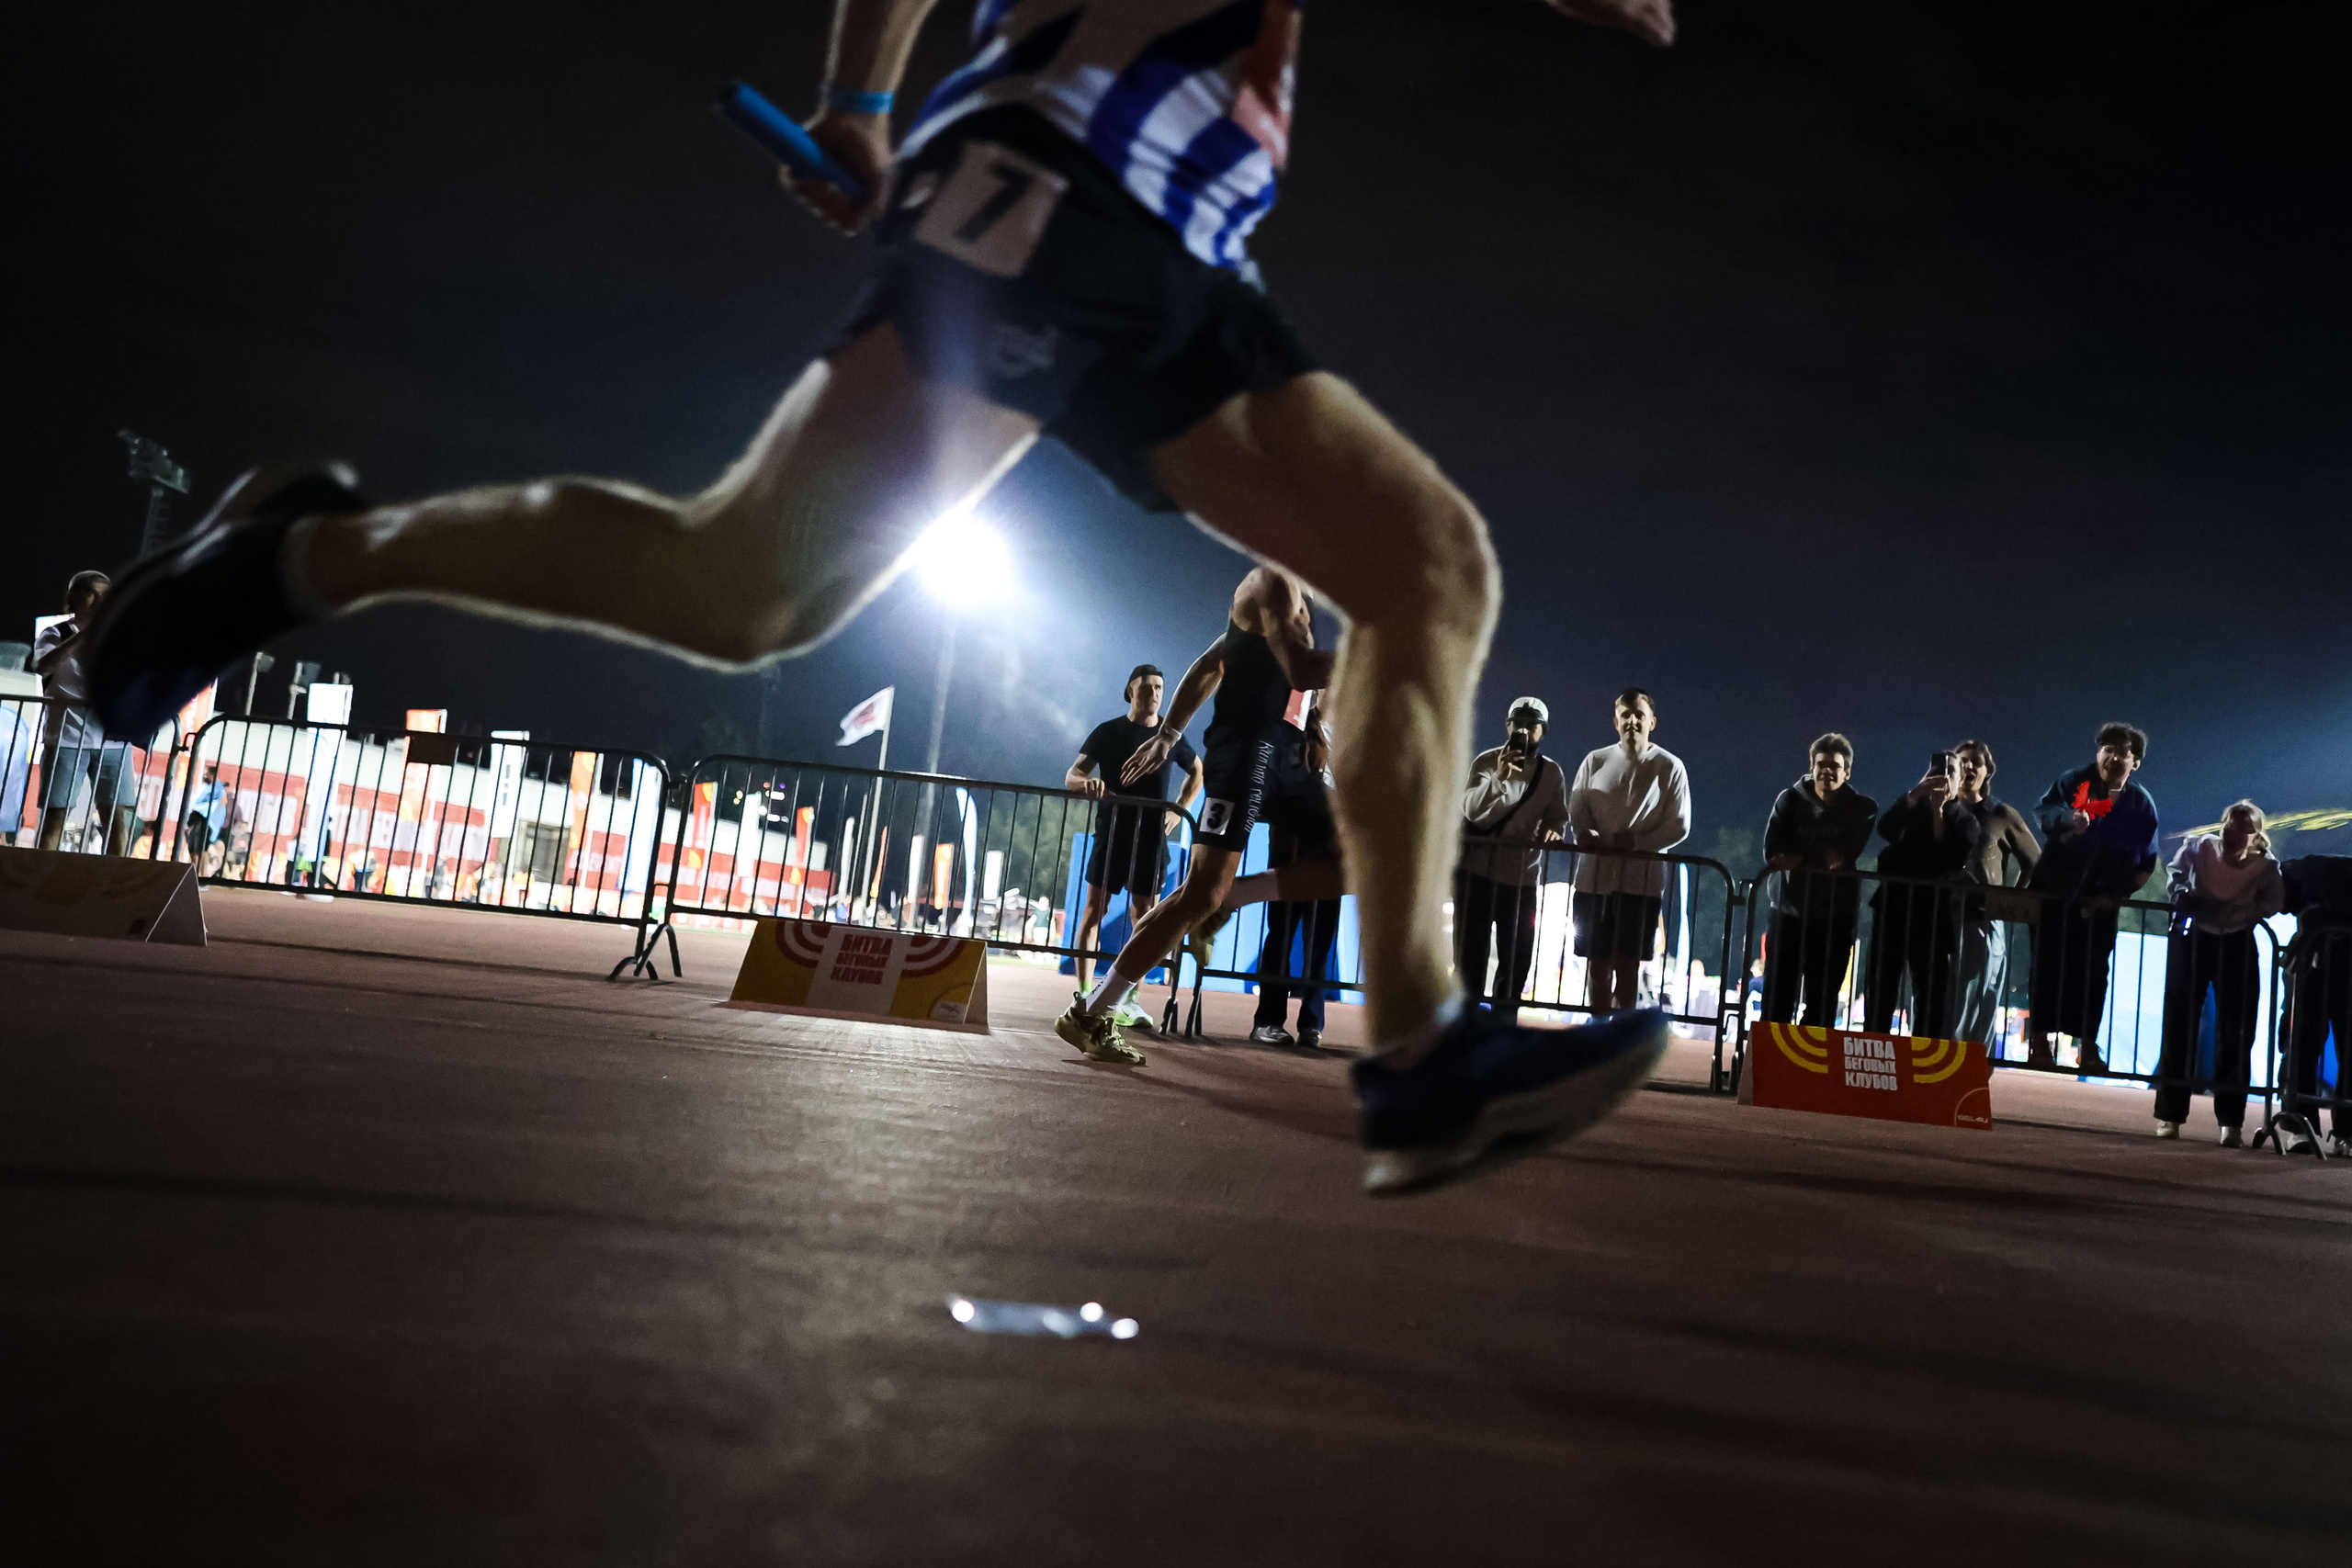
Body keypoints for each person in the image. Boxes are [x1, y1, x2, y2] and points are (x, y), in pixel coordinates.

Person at [76, 0, 1679, 1197]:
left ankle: (1418, 1050)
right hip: (1063, 184)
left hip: (1182, 239)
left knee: (1425, 563)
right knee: (748, 583)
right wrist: (862, 99)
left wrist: (866, 104)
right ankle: (294, 553)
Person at [1064, 566, 1339, 1065]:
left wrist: (1168, 734)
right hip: (1247, 751)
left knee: (1366, 856)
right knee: (1197, 894)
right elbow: (1301, 668)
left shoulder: (1300, 601)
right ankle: (1092, 1011)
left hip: (1286, 755)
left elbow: (1212, 663)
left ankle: (1230, 897)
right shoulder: (1271, 585)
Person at [2026, 723, 2159, 1073]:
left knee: (2093, 972)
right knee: (2045, 964)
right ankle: (2039, 1042)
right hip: (2053, 891)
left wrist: (2115, 895)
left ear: (2136, 763)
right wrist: (2069, 819)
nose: (2113, 757)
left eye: (2123, 752)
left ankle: (2087, 1046)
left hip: (2100, 900)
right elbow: (2043, 811)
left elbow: (2146, 861)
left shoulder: (2140, 804)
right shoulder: (2075, 780)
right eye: (2107, 749)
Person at [1064, 664, 1202, 996]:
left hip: (1152, 838)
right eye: (1146, 688)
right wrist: (1088, 782)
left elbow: (1197, 771)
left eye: (1158, 688)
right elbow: (1071, 775)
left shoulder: (1170, 738)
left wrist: (1179, 811)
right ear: (1130, 691)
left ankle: (1128, 997)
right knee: (1094, 910)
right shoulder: (1107, 731)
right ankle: (1083, 992)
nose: (1153, 694)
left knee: (1144, 916)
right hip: (1111, 832)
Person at [2152, 801, 2282, 1145]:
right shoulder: (2197, 847)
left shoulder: (2266, 866)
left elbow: (2275, 901)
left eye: (2243, 828)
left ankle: (2231, 1121)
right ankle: (2169, 1115)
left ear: (2256, 836)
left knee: (2236, 1032)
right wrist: (2183, 895)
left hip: (2237, 942)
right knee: (2179, 1024)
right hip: (2194, 937)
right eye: (2230, 825)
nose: (2234, 833)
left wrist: (2246, 910)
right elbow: (2176, 875)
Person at [1566, 688, 1691, 1014]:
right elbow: (1577, 807)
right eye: (1625, 714)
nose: (1632, 721)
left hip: (1641, 883)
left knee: (1627, 967)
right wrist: (1584, 832)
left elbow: (1679, 824)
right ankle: (1597, 1033)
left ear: (1652, 721)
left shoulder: (1670, 766)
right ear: (1615, 721)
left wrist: (1636, 844)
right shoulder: (1595, 760)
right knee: (1597, 964)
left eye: (1639, 714)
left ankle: (1621, 1039)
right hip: (1593, 879)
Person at [1456, 696, 1569, 1023]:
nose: (1522, 730)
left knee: (1516, 960)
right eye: (1517, 723)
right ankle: (1466, 1027)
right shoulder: (1486, 761)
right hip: (1475, 873)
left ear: (1542, 732)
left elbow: (1558, 817)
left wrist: (1552, 831)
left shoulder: (1551, 773)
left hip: (1521, 878)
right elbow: (1471, 810)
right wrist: (1499, 778)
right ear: (1507, 725)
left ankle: (1502, 1026)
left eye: (1531, 725)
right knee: (1469, 959)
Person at [1758, 733, 1877, 1028]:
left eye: (1834, 766)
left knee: (1822, 1002)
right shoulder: (1788, 800)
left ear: (1847, 772)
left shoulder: (1863, 808)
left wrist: (1799, 855)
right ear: (1811, 767)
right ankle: (1768, 1069)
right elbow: (1772, 851)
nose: (1827, 771)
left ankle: (1809, 1070)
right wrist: (1822, 854)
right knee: (1777, 999)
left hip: (1835, 918)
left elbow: (1843, 855)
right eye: (1821, 764)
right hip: (1787, 913)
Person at [1862, 753, 1982, 1040]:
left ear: (1958, 780)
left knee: (1930, 992)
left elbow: (1951, 859)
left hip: (1933, 913)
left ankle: (1923, 1059)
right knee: (1881, 985)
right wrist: (1916, 794)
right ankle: (1874, 1045)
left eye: (1948, 774)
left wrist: (1939, 813)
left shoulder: (1964, 821)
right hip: (1892, 906)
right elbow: (1886, 829)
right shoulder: (1912, 807)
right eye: (1935, 773)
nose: (1940, 779)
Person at [32, 571, 136, 856]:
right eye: (92, 593)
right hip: (66, 736)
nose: (100, 601)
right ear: (74, 597)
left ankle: (114, 883)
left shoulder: (120, 637)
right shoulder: (55, 633)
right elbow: (42, 666)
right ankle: (40, 878)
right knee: (56, 816)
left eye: (106, 595)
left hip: (113, 740)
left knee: (115, 818)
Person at [1949, 739, 2039, 1049]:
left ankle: (1972, 1072)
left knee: (1980, 1000)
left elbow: (2034, 863)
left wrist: (2011, 901)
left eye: (1977, 762)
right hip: (1941, 918)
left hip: (1983, 923)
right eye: (1962, 760)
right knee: (1941, 997)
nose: (1969, 766)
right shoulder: (1939, 808)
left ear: (1988, 772)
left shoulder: (2000, 814)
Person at [2278, 854, 2352, 1157]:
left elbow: (2281, 901)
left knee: (2307, 1045)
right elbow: (2279, 900)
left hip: (2317, 960)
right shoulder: (2308, 868)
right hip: (2312, 961)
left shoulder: (2306, 868)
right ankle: (2300, 1125)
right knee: (2302, 1044)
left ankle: (2328, 1129)